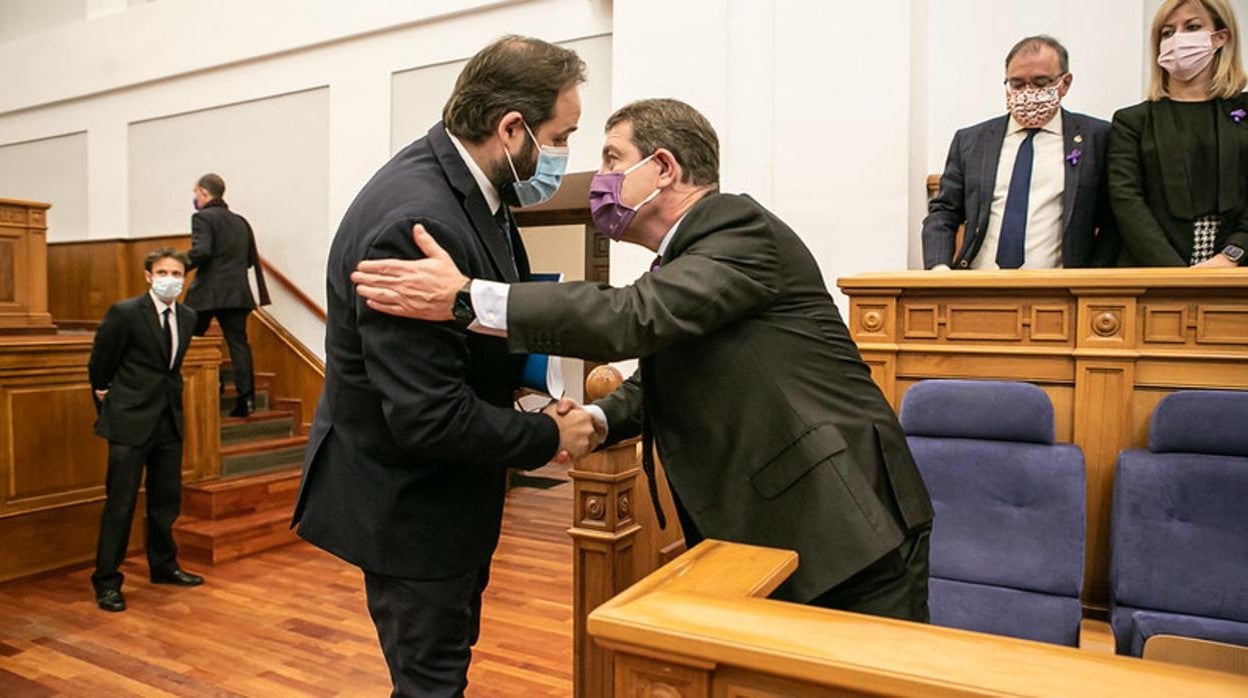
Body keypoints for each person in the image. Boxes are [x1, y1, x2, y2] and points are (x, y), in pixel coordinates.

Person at [352, 99, 936, 621]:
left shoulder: (738, 226)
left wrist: (465, 297)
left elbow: (630, 319)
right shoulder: (687, 259)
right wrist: (598, 421)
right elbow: (667, 368)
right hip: (783, 532)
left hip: (848, 528)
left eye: (611, 159)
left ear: (662, 167)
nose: (598, 179)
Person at [289, 36, 598, 697]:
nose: (563, 153)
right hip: (412, 513)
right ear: (510, 127)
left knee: (442, 667)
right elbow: (428, 417)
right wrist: (551, 437)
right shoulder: (415, 221)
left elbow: (473, 328)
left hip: (450, 500)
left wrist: (521, 386)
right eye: (561, 135)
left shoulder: (472, 189)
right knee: (431, 684)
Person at [923, 36, 1118, 270]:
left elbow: (1113, 221)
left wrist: (1094, 280)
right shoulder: (971, 141)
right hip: (977, 285)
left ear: (1065, 83)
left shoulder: (1097, 138)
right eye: (1017, 84)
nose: (1028, 92)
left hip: (1061, 290)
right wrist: (939, 269)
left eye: (1040, 82)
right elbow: (944, 212)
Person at [88, 248, 205, 613]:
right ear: (148, 275)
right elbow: (100, 366)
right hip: (129, 421)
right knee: (120, 504)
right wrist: (111, 405)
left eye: (177, 272)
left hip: (168, 421)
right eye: (162, 271)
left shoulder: (187, 316)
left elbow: (170, 370)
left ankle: (164, 566)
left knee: (165, 501)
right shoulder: (124, 313)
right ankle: (107, 581)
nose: (170, 278)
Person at [1108, 0, 1248, 267]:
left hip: (1237, 274)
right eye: (1168, 32)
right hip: (1153, 274)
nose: (1178, 39)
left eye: (1192, 27)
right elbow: (1127, 201)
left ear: (1220, 37)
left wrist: (1231, 255)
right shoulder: (1132, 121)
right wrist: (1176, 274)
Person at [185, 173, 270, 417]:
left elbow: (201, 252)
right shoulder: (240, 221)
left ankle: (210, 386)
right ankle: (247, 400)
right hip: (237, 293)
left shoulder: (202, 217)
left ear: (203, 192)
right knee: (238, 345)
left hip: (208, 293)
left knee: (190, 339)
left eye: (196, 194)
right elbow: (250, 261)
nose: (195, 199)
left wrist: (178, 264)